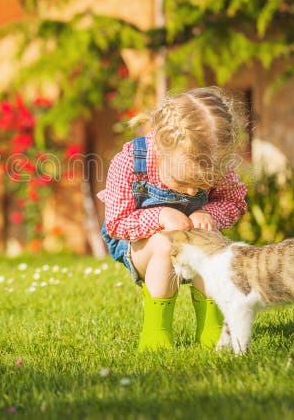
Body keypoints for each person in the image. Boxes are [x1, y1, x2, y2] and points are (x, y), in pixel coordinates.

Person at [98, 86, 248, 351]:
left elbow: (234, 201)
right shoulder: (131, 162)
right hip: (141, 246)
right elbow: (116, 223)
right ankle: (157, 333)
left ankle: (212, 330)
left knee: (213, 245)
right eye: (183, 182)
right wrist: (161, 215)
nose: (193, 191)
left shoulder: (215, 163)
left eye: (203, 183)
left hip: (192, 239)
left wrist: (207, 212)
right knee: (165, 245)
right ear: (161, 149)